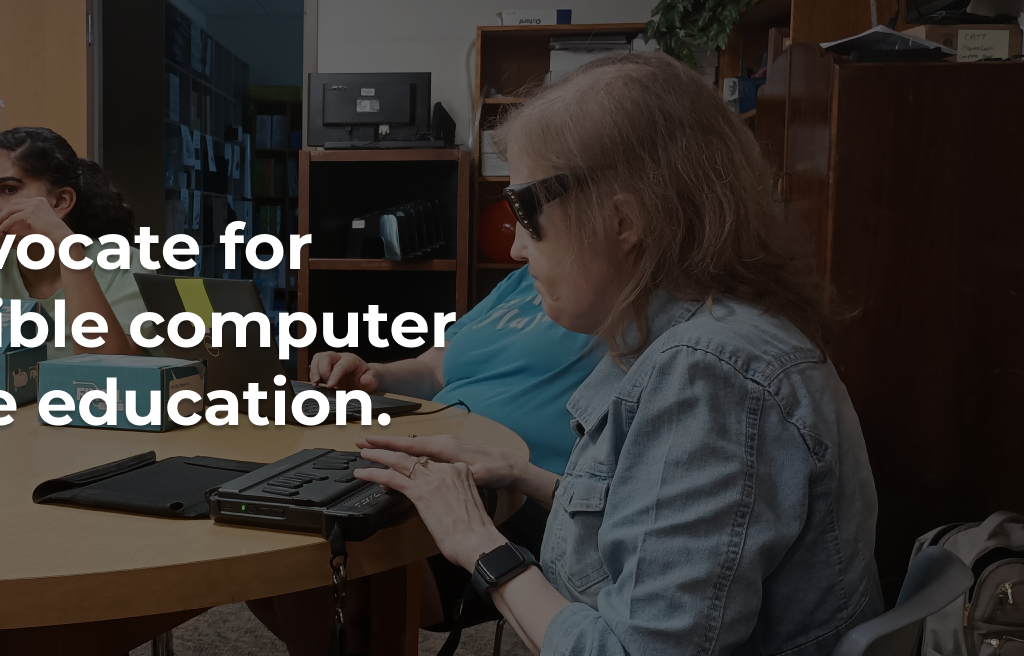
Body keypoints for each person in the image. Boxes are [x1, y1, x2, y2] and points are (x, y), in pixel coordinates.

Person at [351, 51, 883, 656]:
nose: (518, 249)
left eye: (526, 211)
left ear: (623, 219)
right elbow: (675, 534)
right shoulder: (705, 335)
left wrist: (477, 541)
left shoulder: (708, 376)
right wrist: (526, 477)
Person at [248, 267, 603, 649]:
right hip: (432, 450)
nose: (516, 246)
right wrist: (375, 375)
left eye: (529, 223)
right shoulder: (520, 280)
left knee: (331, 543)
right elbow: (435, 367)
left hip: (519, 490)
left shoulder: (629, 300)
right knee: (275, 515)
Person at [0, 126, 149, 357]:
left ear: (59, 202)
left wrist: (68, 248)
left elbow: (107, 366)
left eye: (9, 189)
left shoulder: (120, 262)